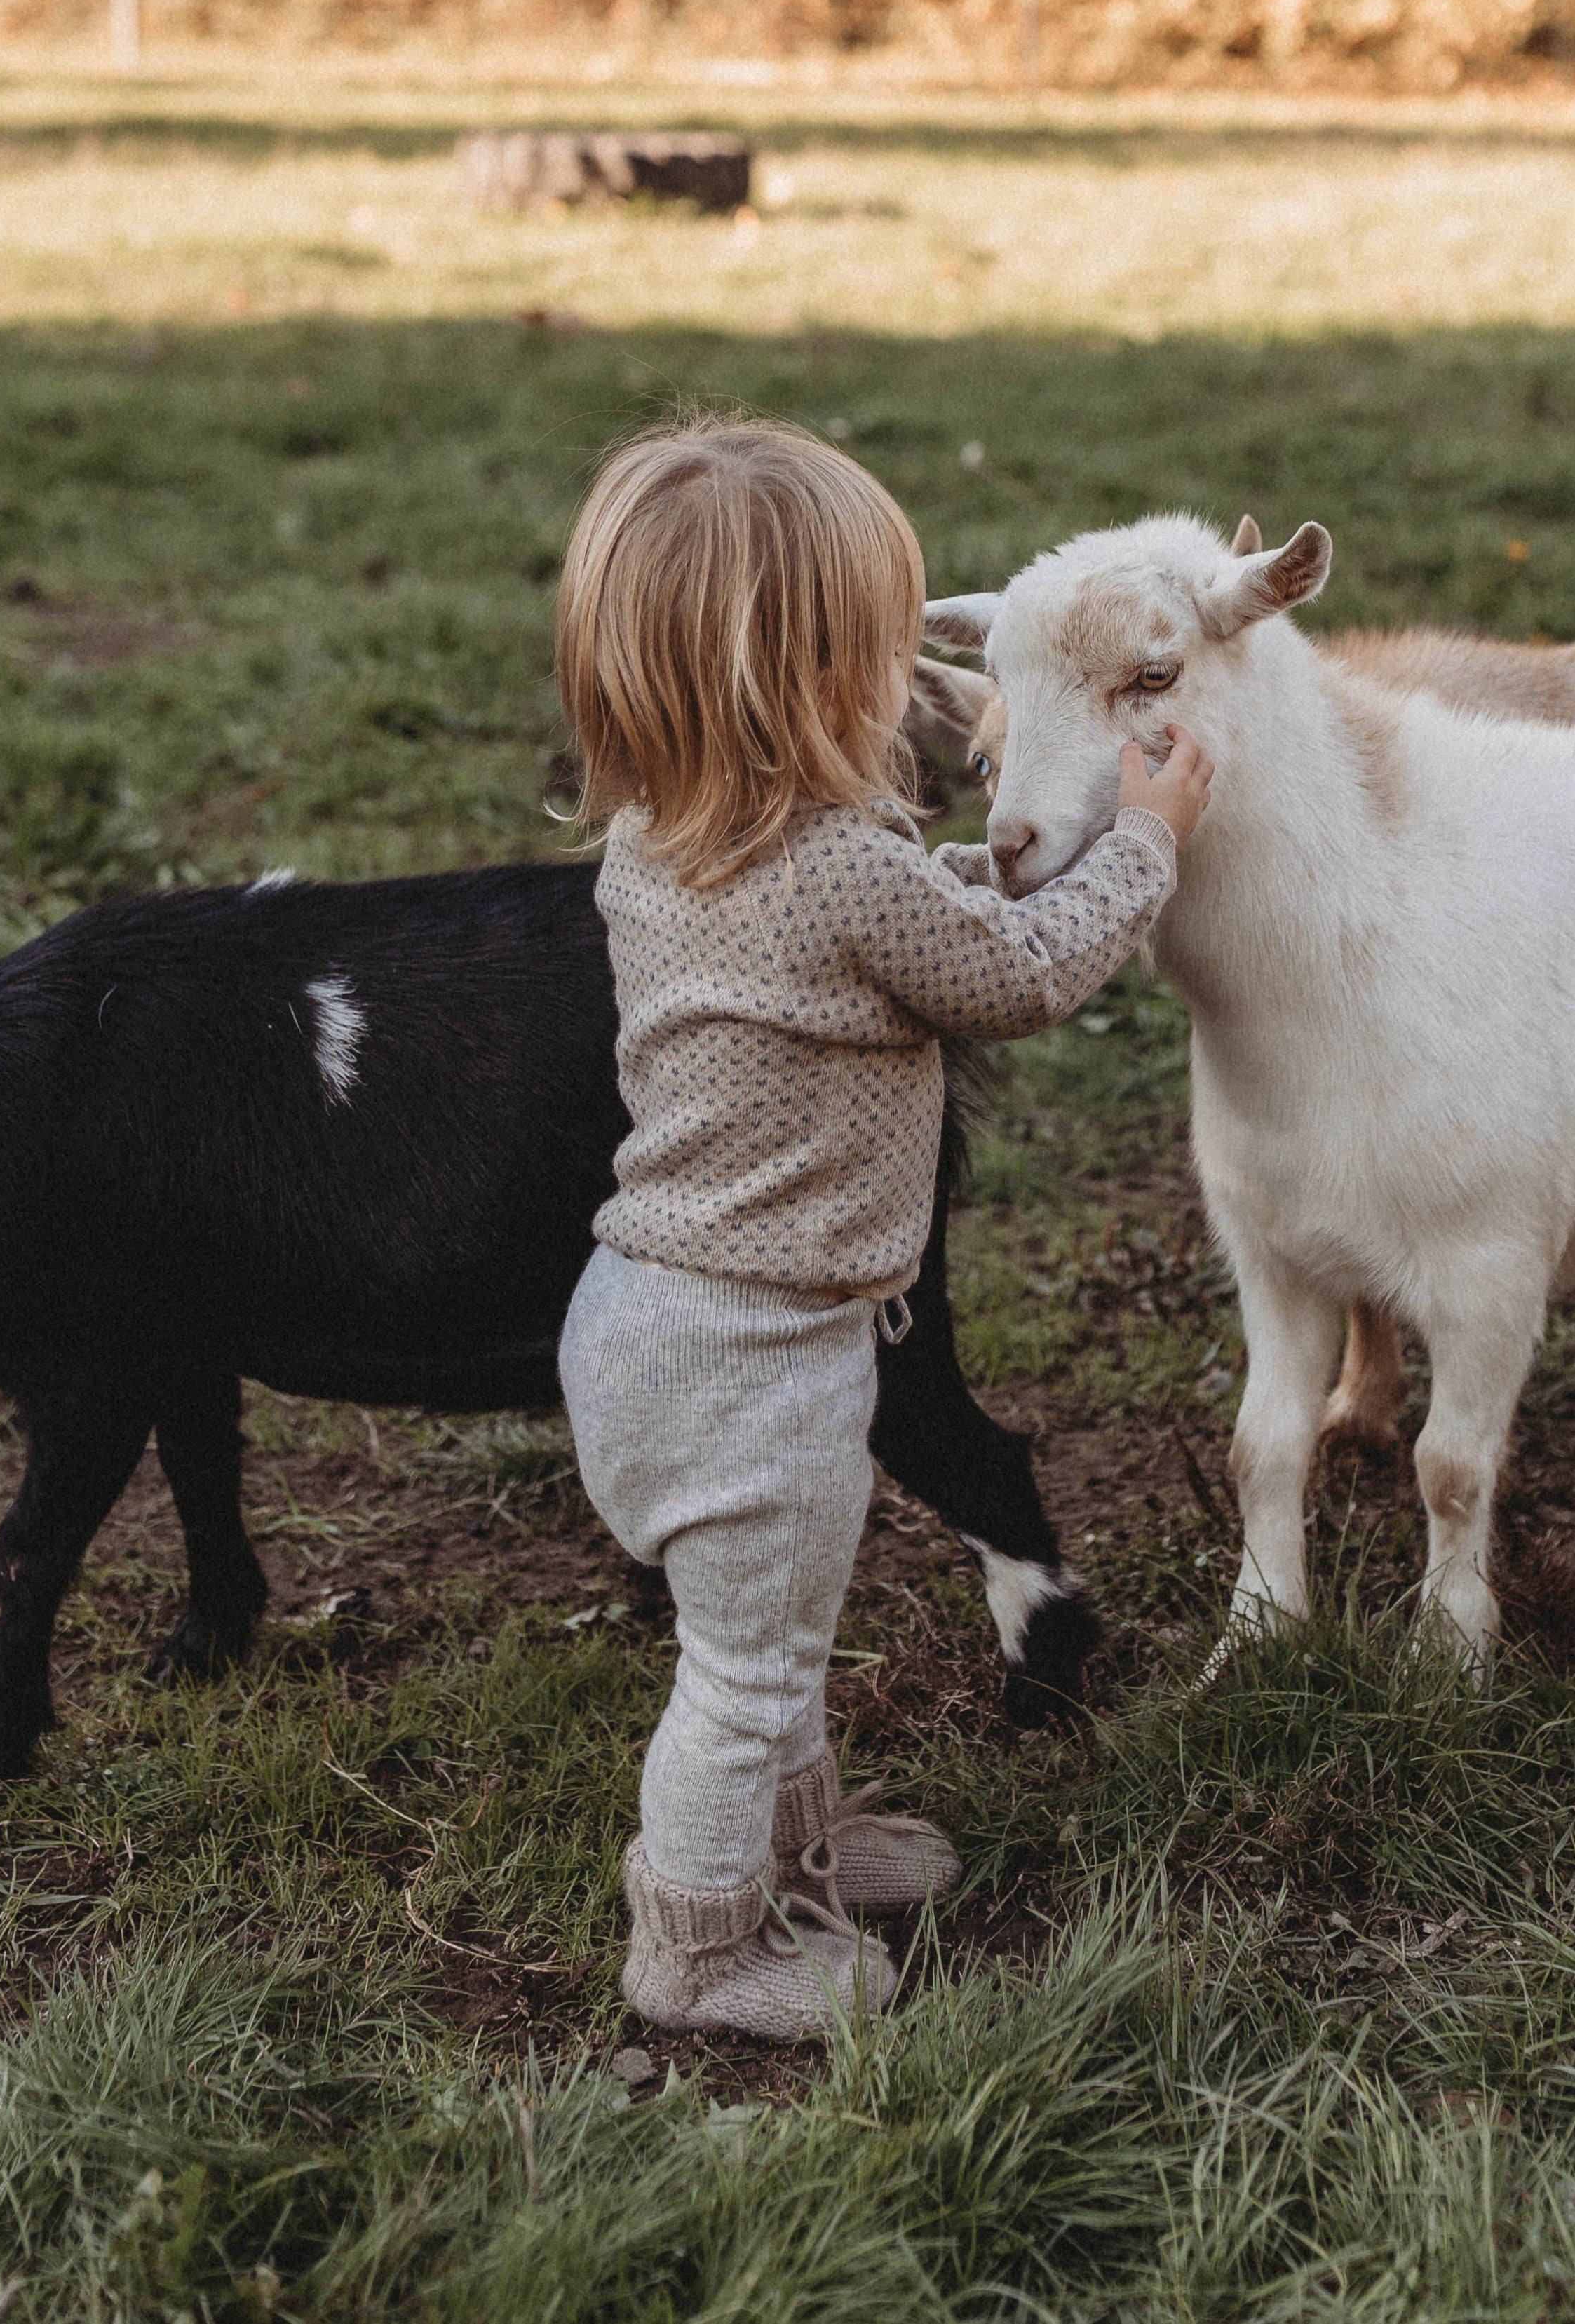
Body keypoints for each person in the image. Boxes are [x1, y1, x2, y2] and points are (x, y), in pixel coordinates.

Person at [556, 417, 1212, 2040]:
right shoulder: (849, 874)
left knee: (766, 1640)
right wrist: (1145, 846)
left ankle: (794, 1854)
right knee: (748, 1675)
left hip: (657, 1319)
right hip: (752, 1359)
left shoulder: (659, 844)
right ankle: (700, 1950)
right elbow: (1015, 976)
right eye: (883, 649)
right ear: (820, 683)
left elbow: (881, 933)